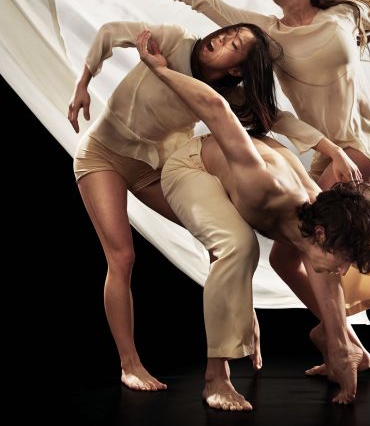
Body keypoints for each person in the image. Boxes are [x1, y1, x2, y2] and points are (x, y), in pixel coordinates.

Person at [83, 0, 370, 370]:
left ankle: (347, 344)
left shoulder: (346, 13)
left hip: (364, 144)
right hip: (325, 150)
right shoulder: (266, 35)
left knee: (323, 245)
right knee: (292, 255)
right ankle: (350, 338)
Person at [136, 29, 370, 407]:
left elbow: (334, 275)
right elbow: (217, 109)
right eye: (343, 261)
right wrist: (159, 69)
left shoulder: (322, 218)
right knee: (239, 247)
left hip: (242, 172)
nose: (343, 271)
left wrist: (344, 347)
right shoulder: (264, 185)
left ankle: (344, 346)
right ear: (322, 235)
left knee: (286, 259)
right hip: (191, 166)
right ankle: (215, 378)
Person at [69, 20, 324, 391]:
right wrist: (83, 82)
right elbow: (110, 31)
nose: (221, 38)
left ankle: (242, 318)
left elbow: (276, 117)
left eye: (233, 44)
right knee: (121, 258)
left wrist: (331, 150)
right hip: (102, 157)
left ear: (236, 70)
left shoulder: (226, 93)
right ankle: (130, 364)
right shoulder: (173, 40)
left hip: (154, 168)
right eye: (226, 33)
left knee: (224, 239)